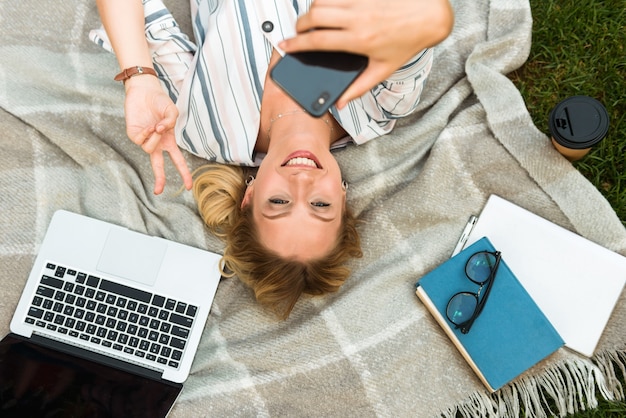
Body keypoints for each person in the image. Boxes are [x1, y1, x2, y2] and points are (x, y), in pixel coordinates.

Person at [92, 0, 454, 318]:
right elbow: (419, 15)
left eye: (279, 202)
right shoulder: (383, 103)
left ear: (249, 197)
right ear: (343, 197)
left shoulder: (203, 130)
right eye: (320, 204)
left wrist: (138, 79)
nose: (301, 182)